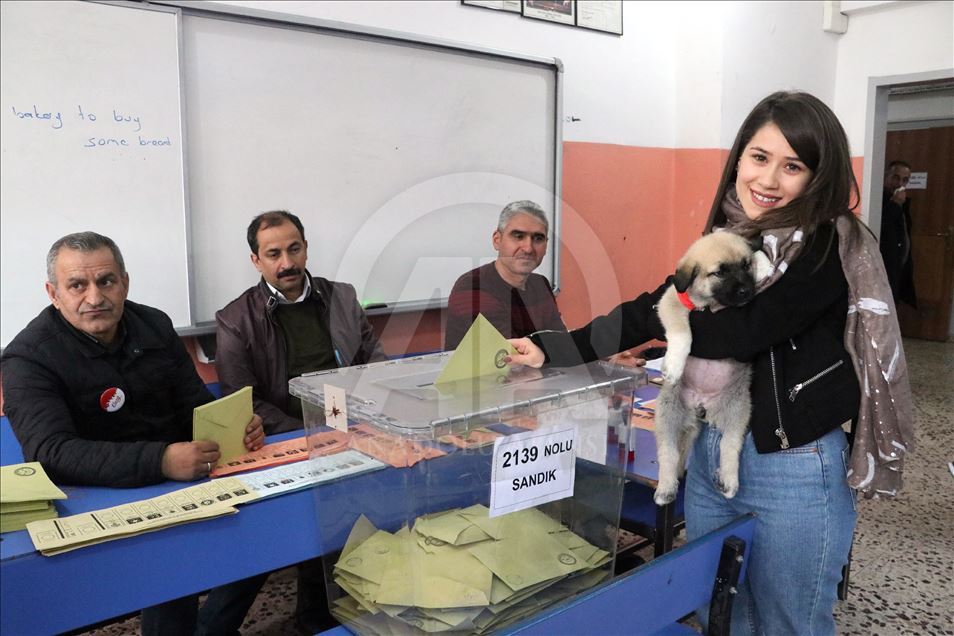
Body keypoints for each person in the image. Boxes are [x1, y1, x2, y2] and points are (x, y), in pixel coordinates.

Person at [507, 91, 914, 634]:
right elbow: (650, 305)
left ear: (817, 176)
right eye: (759, 158)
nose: (768, 180)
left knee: (789, 622)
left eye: (792, 166)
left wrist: (671, 316)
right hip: (711, 455)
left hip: (792, 465)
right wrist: (554, 348)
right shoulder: (731, 237)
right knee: (721, 615)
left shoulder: (825, 246)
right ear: (739, 159)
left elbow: (741, 331)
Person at [1, 231, 267, 635]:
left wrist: (235, 426)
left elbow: (195, 403)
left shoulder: (154, 325)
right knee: (167, 573)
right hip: (96, 496)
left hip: (179, 477)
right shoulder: (27, 357)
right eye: (77, 285)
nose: (95, 297)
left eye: (106, 281)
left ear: (124, 282)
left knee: (259, 535)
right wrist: (160, 459)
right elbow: (49, 453)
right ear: (53, 294)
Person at [215, 210, 387, 633]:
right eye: (273, 254)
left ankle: (328, 612)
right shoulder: (235, 320)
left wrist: (368, 416)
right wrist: (312, 433)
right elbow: (245, 402)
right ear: (257, 261)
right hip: (285, 443)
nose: (286, 262)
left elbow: (376, 365)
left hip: (354, 433)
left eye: (294, 249)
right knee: (298, 529)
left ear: (306, 248)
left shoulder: (342, 298)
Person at [444, 200, 566, 350]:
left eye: (538, 238)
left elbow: (562, 342)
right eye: (518, 236)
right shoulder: (472, 287)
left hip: (538, 372)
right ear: (497, 240)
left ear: (546, 245)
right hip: (483, 373)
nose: (528, 248)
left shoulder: (540, 284)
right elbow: (509, 356)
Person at [879, 160, 917, 307]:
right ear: (886, 176)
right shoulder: (879, 199)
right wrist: (894, 204)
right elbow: (880, 225)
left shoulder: (903, 202)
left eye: (905, 180)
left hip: (898, 266)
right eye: (896, 177)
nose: (900, 183)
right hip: (885, 265)